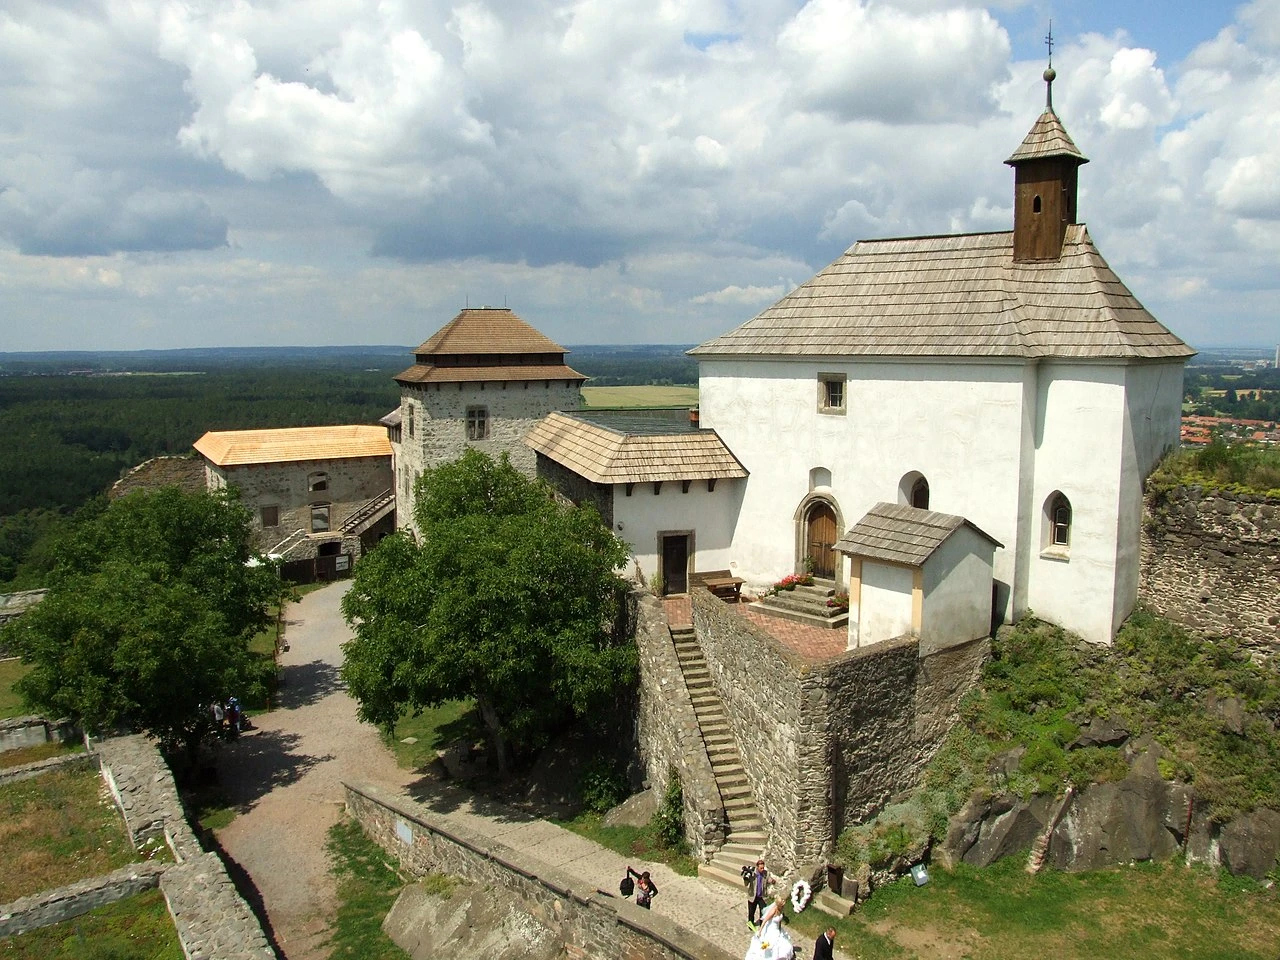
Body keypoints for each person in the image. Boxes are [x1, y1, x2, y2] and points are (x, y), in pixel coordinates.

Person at [744, 894, 793, 960]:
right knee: (768, 944)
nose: (784, 903)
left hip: (777, 930)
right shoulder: (773, 910)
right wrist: (760, 931)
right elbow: (765, 920)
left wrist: (780, 928)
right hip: (770, 929)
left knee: (778, 943)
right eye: (783, 902)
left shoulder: (781, 909)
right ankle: (764, 954)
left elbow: (779, 921)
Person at [746, 859, 774, 927]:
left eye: (763, 868)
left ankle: (762, 925)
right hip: (753, 896)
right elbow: (746, 884)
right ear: (757, 867)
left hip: (761, 897)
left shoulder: (766, 873)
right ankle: (751, 925)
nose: (762, 869)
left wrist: (772, 881)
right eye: (761, 868)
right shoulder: (752, 873)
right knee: (751, 912)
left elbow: (769, 879)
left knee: (763, 912)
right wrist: (746, 878)